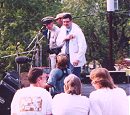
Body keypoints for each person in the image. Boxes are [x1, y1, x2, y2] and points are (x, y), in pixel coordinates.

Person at [56, 13, 87, 78]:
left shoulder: (77, 30)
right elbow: (58, 43)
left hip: (74, 57)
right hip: (65, 57)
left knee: (74, 78)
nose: (65, 23)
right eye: (64, 22)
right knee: (65, 77)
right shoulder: (62, 29)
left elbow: (83, 46)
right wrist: (65, 38)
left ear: (71, 21)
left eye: (67, 22)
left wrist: (78, 59)